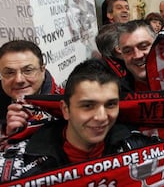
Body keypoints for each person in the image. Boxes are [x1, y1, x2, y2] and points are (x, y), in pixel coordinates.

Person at [0, 59, 155, 181]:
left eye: (111, 104)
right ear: (65, 109)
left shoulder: (138, 146)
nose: (101, 117)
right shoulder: (17, 165)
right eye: (87, 105)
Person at [0, 40, 63, 135]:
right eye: (9, 72)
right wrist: (6, 135)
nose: (18, 80)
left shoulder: (65, 106)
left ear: (42, 70)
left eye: (28, 70)